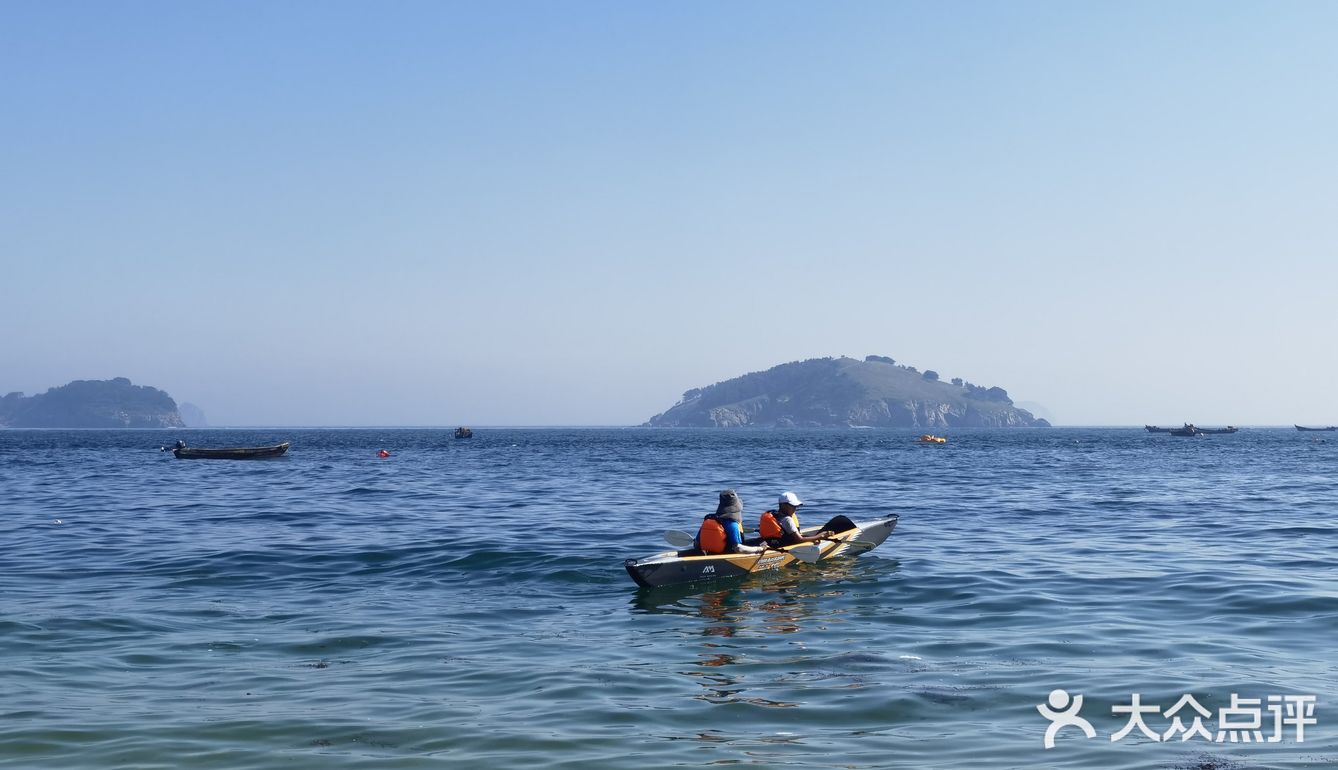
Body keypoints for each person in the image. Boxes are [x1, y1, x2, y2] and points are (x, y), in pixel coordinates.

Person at [695, 489, 763, 555]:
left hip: (712, 553)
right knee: (763, 542)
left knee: (757, 540)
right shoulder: (733, 525)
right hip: (729, 555)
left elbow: (696, 543)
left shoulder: (710, 521)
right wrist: (759, 549)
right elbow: (738, 548)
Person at [757, 491, 833, 547]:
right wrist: (820, 536)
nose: (795, 509)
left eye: (796, 506)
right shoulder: (787, 520)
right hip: (784, 546)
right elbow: (799, 540)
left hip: (771, 543)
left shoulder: (774, 515)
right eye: (793, 506)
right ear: (783, 505)